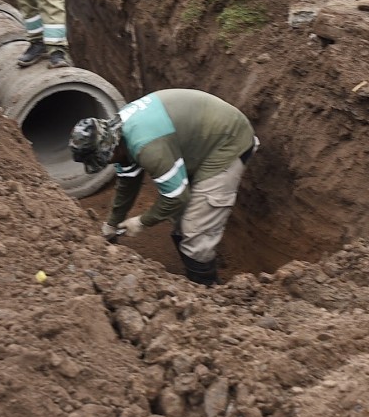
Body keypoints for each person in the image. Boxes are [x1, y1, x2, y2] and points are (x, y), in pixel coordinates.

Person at [69, 89, 257, 286]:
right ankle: (194, 275)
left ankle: (208, 293)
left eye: (105, 159)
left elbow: (177, 197)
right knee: (180, 217)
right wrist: (112, 224)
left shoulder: (149, 147)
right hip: (199, 139)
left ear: (111, 148)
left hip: (227, 140)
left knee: (194, 230)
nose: (108, 163)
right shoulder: (117, 132)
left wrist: (142, 222)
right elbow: (128, 181)